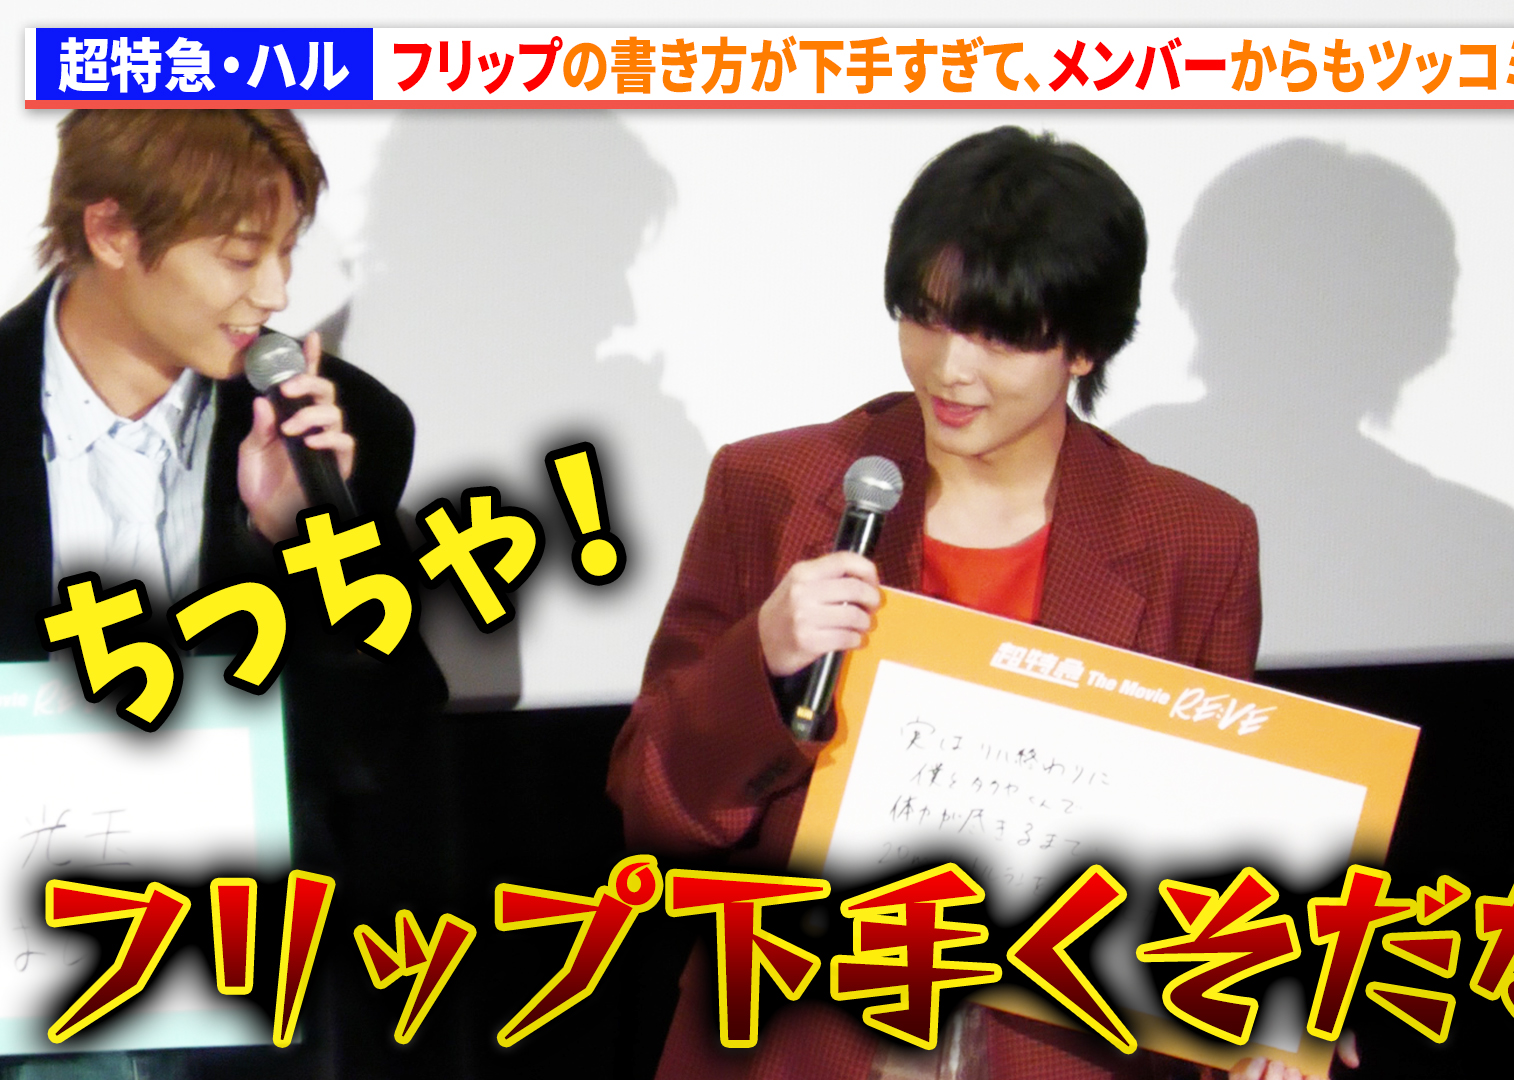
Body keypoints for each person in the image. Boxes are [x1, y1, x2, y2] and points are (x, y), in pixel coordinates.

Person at [608, 127, 1289, 1079]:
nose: (949, 368)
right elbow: (650, 805)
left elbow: (1220, 841)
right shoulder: (774, 489)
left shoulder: (1195, 539)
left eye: (999, 335)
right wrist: (758, 663)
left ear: (1085, 346)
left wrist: (1276, 1008)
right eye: (925, 318)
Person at [0, 110, 440, 1080]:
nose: (275, 294)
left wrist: (302, 537)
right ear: (112, 231)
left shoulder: (345, 422)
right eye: (241, 257)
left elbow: (384, 740)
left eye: (286, 254)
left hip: (240, 979)